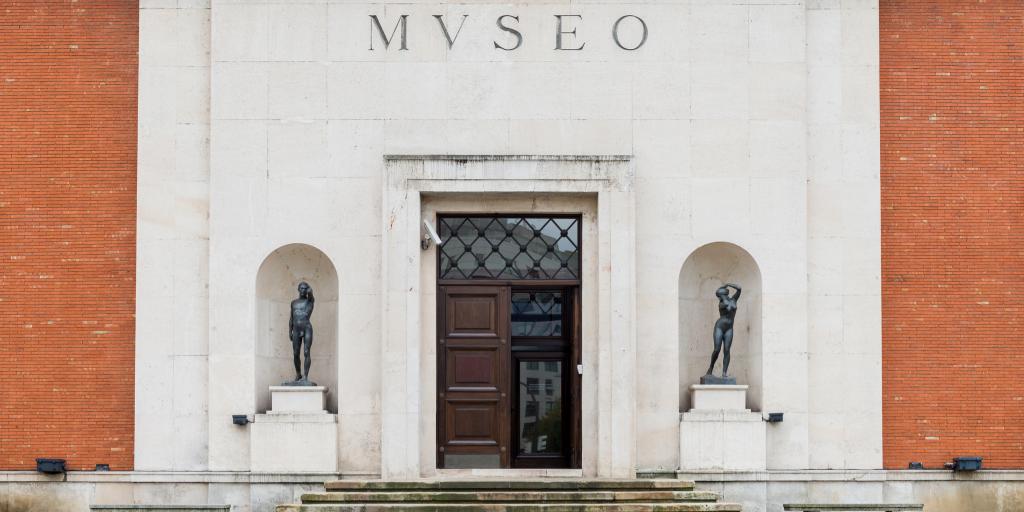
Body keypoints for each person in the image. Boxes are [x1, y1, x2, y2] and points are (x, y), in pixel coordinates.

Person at [705, 283, 741, 379]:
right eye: (719, 295)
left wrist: (728, 284)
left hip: (729, 328)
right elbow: (723, 299)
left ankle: (724, 373)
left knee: (727, 350)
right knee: (717, 349)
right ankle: (710, 368)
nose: (720, 297)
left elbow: (739, 288)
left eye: (721, 295)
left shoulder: (733, 299)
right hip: (719, 327)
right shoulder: (722, 303)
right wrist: (722, 290)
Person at [289, 282, 315, 384]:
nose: (304, 290)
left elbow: (311, 295)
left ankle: (305, 376)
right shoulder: (293, 302)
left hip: (306, 327)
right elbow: (291, 318)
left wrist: (310, 290)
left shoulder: (310, 301)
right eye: (302, 288)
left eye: (305, 288)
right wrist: (289, 330)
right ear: (298, 289)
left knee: (306, 351)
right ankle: (298, 374)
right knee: (295, 353)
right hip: (296, 328)